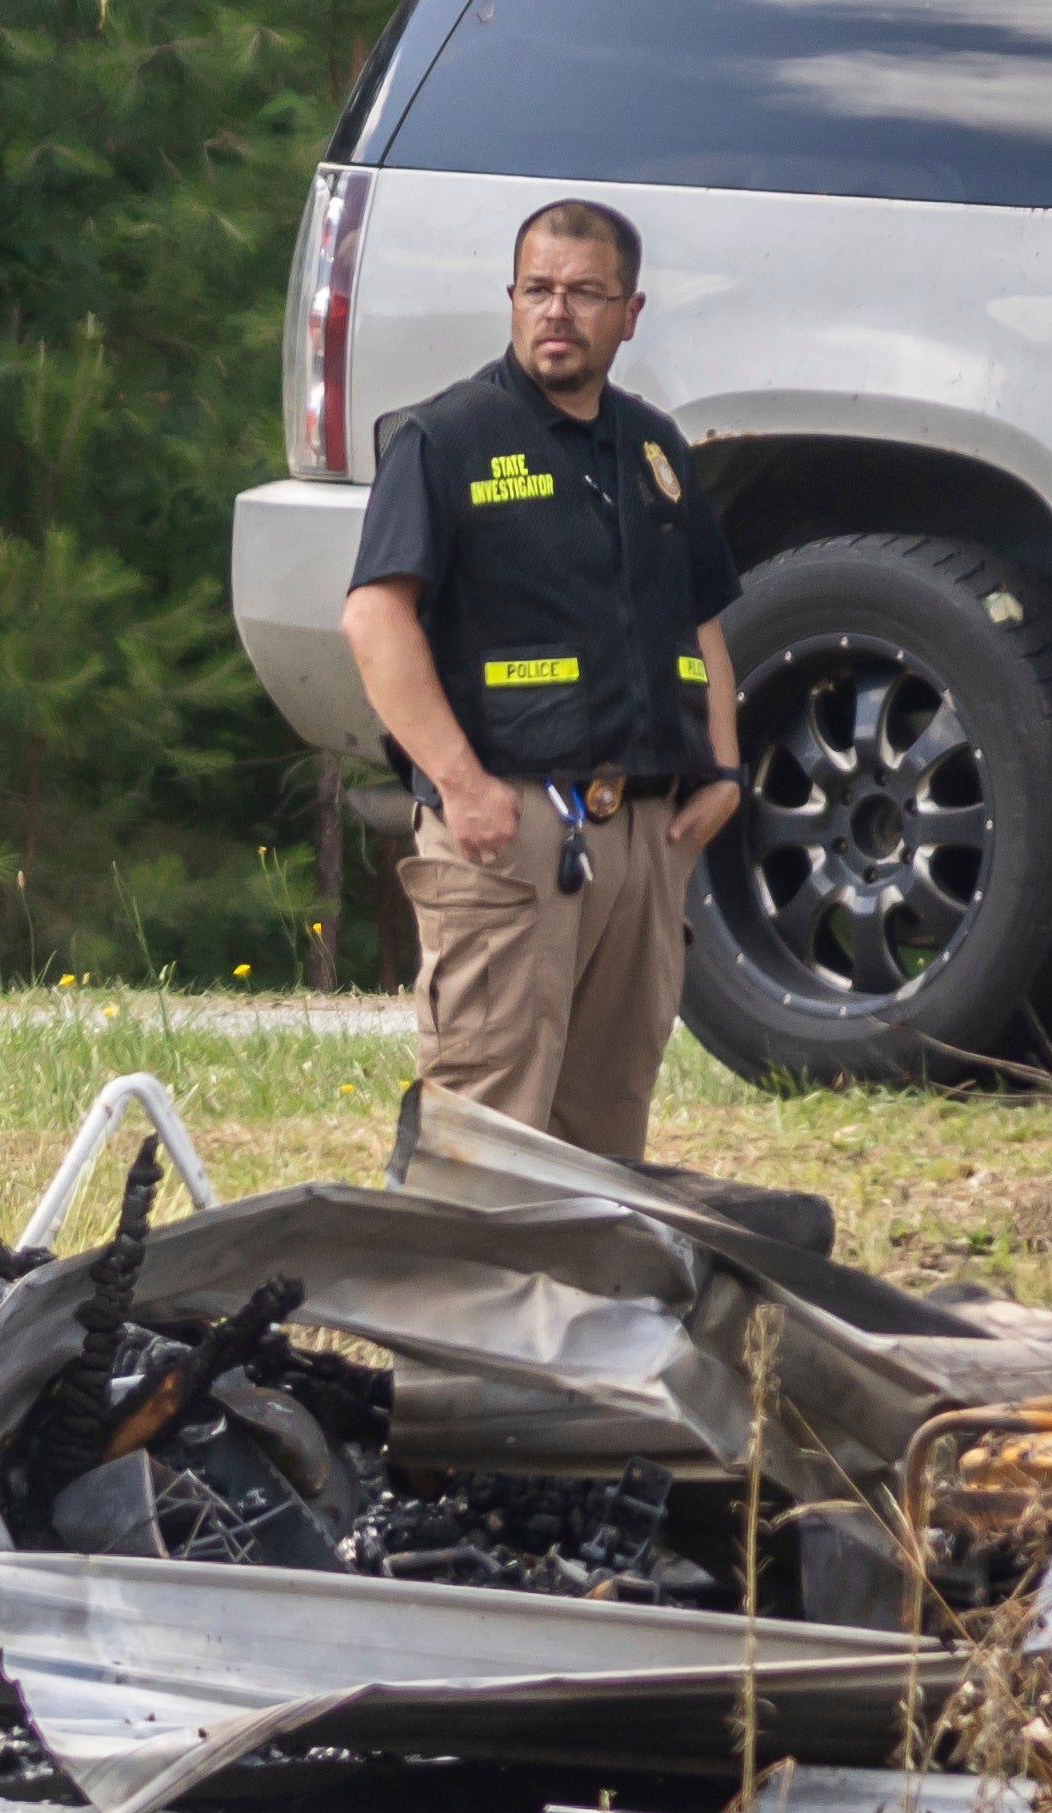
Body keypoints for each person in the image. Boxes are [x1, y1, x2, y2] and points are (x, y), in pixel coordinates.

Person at [341, 198, 743, 1162]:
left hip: (644, 839)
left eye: (584, 293)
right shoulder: (447, 440)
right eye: (537, 290)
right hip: (511, 834)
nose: (556, 312)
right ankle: (464, 1312)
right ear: (511, 300)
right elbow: (374, 616)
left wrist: (723, 773)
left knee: (607, 1134)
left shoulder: (654, 451)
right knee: (486, 1129)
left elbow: (702, 624)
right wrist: (463, 783)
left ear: (630, 312)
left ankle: (578, 1314)